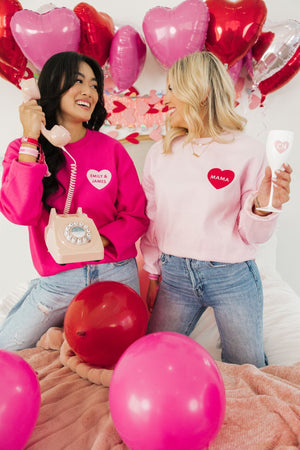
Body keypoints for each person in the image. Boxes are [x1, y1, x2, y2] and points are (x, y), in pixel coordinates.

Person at [140, 51, 292, 368]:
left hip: (232, 277)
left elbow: (253, 234)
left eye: (171, 88)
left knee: (247, 368)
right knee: (150, 359)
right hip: (175, 276)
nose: (164, 97)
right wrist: (154, 273)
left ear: (199, 91)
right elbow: (153, 219)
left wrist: (265, 207)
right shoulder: (160, 153)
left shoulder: (248, 150)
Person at [0, 51, 149, 351]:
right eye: (78, 82)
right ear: (53, 86)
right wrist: (32, 138)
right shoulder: (24, 148)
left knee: (127, 356)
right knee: (7, 349)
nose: (89, 92)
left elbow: (136, 215)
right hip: (58, 279)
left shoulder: (111, 149)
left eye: (94, 85)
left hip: (115, 274)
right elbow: (20, 213)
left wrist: (99, 242)